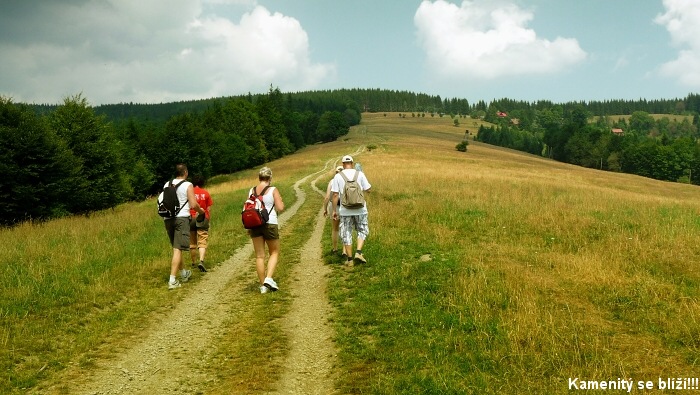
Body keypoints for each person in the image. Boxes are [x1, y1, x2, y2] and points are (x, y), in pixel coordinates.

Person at [164, 163, 206, 290]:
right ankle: (172, 280)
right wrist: (201, 211)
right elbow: (193, 204)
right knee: (178, 249)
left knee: (176, 247)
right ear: (185, 172)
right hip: (181, 218)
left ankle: (183, 273)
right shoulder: (188, 185)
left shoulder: (167, 184)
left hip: (167, 218)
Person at [247, 167, 285, 293]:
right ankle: (269, 278)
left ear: (259, 178)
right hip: (270, 223)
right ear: (270, 178)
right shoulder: (273, 190)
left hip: (255, 224)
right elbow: (280, 208)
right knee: (274, 252)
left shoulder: (251, 191)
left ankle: (263, 286)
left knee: (259, 256)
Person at [331, 155, 372, 265]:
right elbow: (368, 189)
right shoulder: (360, 174)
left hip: (345, 210)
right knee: (362, 229)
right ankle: (358, 252)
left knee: (346, 232)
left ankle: (349, 260)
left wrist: (334, 210)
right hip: (360, 209)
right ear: (352, 163)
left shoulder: (338, 176)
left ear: (343, 164)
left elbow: (335, 195)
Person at [189, 175, 213, 272]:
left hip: (190, 218)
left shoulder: (189, 193)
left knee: (192, 242)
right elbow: (208, 209)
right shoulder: (206, 193)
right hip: (202, 218)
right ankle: (201, 261)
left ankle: (194, 262)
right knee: (202, 240)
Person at [323, 166, 343, 254]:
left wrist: (325, 209)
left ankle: (335, 249)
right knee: (345, 228)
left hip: (334, 206)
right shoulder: (346, 181)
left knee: (335, 229)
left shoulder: (332, 182)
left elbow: (327, 197)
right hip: (345, 207)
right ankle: (345, 250)